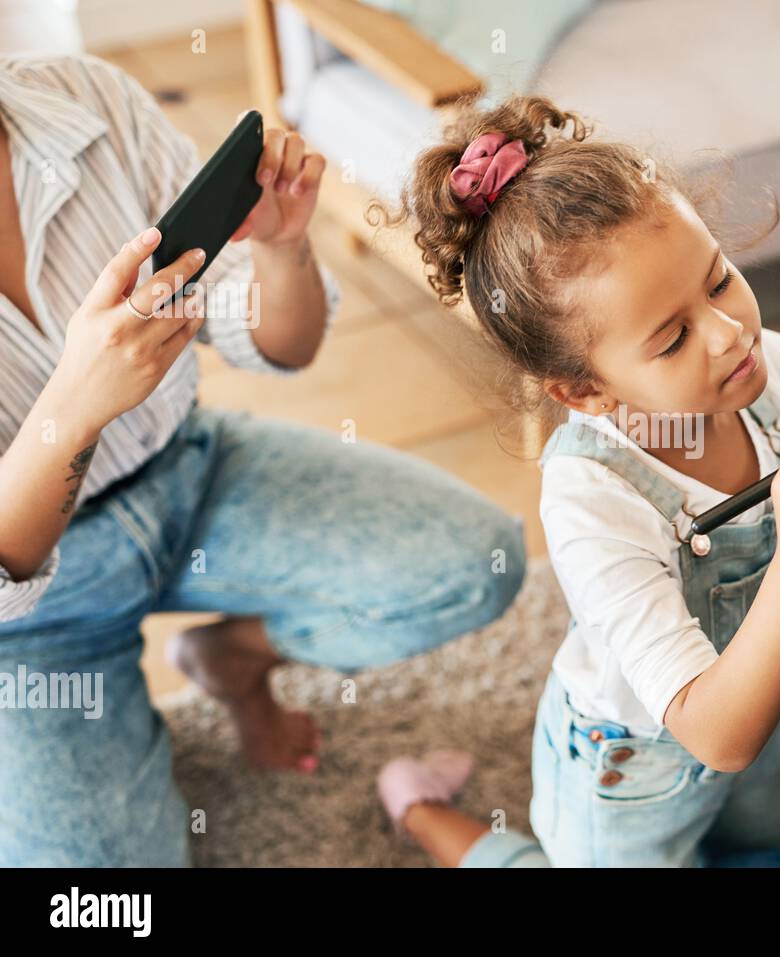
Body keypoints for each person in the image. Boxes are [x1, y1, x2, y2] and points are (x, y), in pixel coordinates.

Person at [370, 92, 780, 868]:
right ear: (584, 391)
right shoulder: (590, 499)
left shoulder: (761, 364)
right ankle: (421, 809)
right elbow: (714, 731)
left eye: (717, 279)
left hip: (756, 697)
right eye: (673, 338)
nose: (729, 331)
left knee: (762, 850)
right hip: (631, 773)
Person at [0, 54, 525, 867]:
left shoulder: (82, 97)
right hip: (30, 621)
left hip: (189, 472)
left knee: (475, 564)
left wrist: (283, 249)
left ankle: (227, 659)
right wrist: (72, 409)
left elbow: (288, 342)